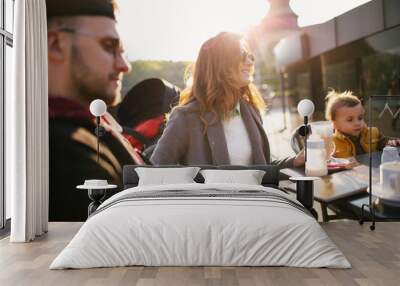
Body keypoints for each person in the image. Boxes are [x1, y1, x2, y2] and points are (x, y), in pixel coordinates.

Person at [151, 32, 304, 169]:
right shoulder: (184, 118)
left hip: (256, 200)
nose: (250, 62)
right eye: (242, 55)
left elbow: (262, 166)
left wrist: (294, 161)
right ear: (219, 64)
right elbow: (154, 176)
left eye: (251, 56)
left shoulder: (251, 111)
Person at [47, 0, 139, 221]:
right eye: (108, 46)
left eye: (122, 52)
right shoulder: (64, 153)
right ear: (56, 45)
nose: (125, 66)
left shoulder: (93, 129)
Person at [325, 90, 400, 158]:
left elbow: (386, 143)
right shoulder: (332, 143)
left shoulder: (373, 133)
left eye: (360, 118)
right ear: (335, 124)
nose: (357, 123)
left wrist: (392, 143)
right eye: (350, 120)